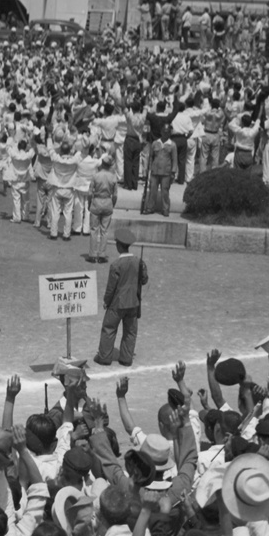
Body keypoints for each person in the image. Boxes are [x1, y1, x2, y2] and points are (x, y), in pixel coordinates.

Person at [93, 228, 149, 367]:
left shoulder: (116, 265)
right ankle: (126, 358)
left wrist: (106, 301)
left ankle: (105, 357)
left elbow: (111, 287)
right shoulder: (139, 262)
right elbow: (144, 280)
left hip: (117, 304)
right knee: (130, 331)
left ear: (118, 246)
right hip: (133, 303)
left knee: (109, 328)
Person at [145, 132, 177, 217]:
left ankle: (165, 209)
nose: (165, 134)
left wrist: (173, 172)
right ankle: (150, 208)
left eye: (167, 132)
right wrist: (149, 169)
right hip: (155, 171)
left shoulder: (172, 145)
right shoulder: (155, 143)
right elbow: (151, 157)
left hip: (166, 172)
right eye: (164, 132)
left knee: (165, 192)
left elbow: (174, 160)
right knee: (152, 190)